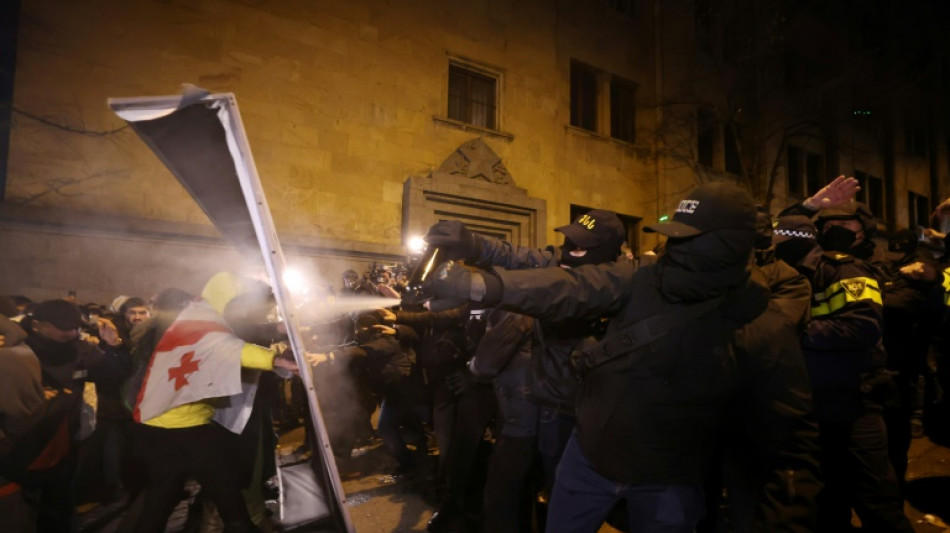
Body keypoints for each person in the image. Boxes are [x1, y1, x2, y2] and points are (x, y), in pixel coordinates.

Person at [425, 182, 819, 532]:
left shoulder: (763, 324)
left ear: (728, 245)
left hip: (670, 479)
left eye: (688, 238)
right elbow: (570, 285)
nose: (675, 249)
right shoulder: (642, 276)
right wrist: (479, 279)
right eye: (673, 237)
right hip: (588, 459)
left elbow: (791, 438)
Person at [772, 207, 914, 532]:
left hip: (853, 404)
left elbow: (862, 327)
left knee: (877, 501)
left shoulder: (845, 270)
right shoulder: (779, 274)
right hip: (807, 407)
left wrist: (791, 332)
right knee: (826, 504)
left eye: (845, 224)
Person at [132, 273, 298, 533]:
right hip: (190, 427)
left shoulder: (176, 327)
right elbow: (232, 348)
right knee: (226, 492)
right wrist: (276, 360)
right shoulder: (198, 329)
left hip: (160, 427)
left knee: (161, 498)